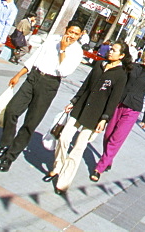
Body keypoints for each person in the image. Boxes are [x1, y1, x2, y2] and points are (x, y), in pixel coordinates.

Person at [0, 21, 84, 173]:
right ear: (66, 29)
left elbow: (64, 70)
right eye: (70, 31)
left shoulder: (77, 52)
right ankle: (5, 145)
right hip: (33, 77)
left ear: (80, 35)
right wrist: (18, 75)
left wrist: (63, 50)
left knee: (30, 123)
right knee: (12, 111)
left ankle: (10, 157)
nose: (71, 35)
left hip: (49, 84)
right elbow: (35, 58)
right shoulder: (52, 39)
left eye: (75, 34)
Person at [46, 41, 130, 192]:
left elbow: (113, 100)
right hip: (80, 108)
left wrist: (105, 118)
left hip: (95, 115)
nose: (111, 51)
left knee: (78, 148)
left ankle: (63, 182)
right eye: (111, 49)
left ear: (122, 56)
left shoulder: (121, 75)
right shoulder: (99, 65)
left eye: (115, 50)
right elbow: (85, 86)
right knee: (64, 137)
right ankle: (58, 166)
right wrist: (74, 101)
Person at [92, 50, 145, 181]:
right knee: (108, 134)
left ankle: (99, 168)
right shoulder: (133, 66)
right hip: (118, 103)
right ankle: (109, 159)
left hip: (133, 109)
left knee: (116, 138)